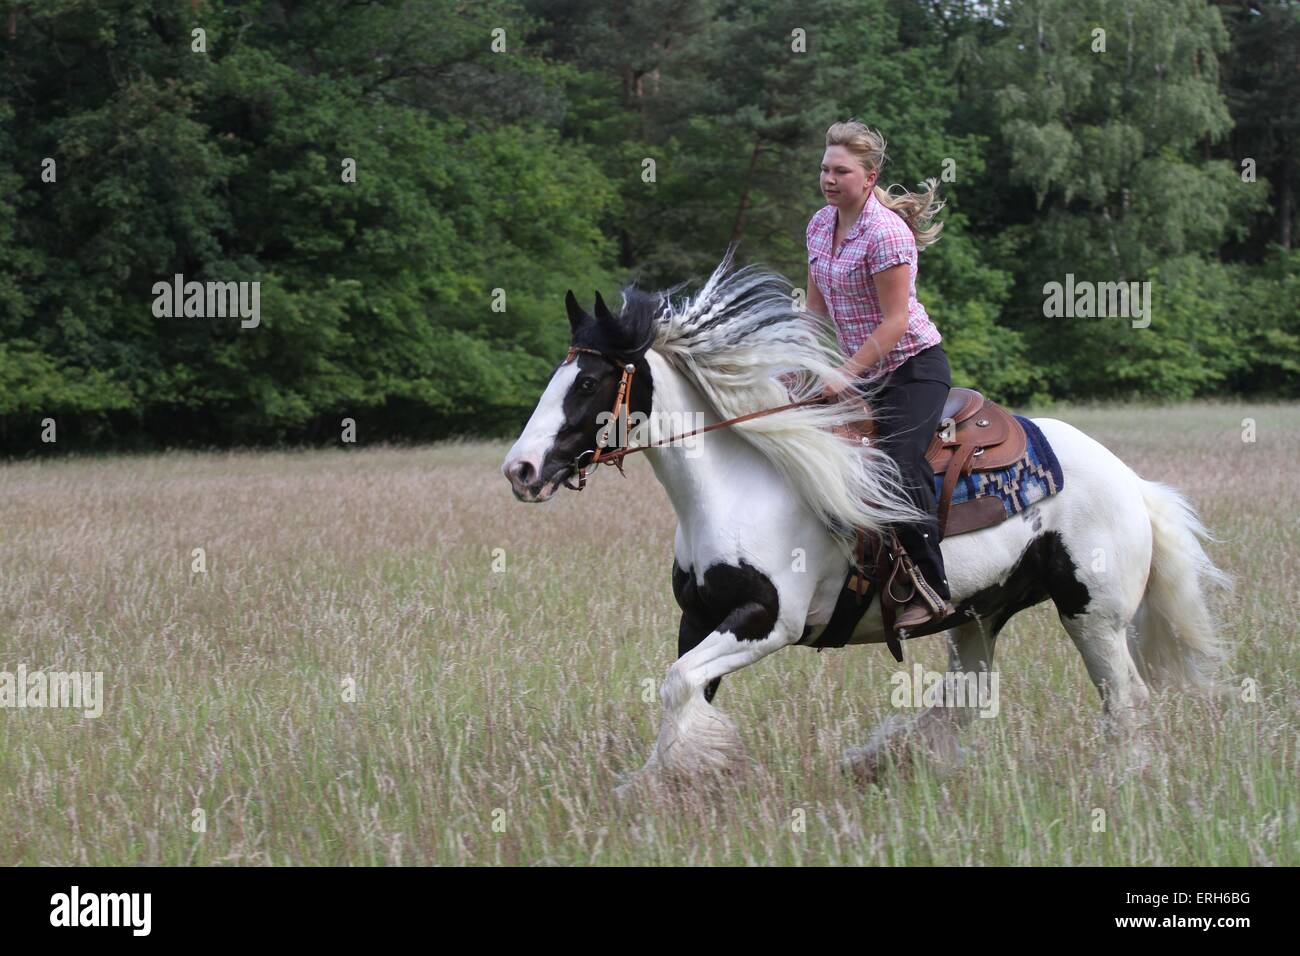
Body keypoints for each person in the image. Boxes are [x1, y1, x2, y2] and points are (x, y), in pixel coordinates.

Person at [805, 120, 954, 632]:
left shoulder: (887, 233)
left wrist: (845, 374)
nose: (829, 178)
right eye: (825, 168)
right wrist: (799, 361)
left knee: (896, 463)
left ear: (869, 178)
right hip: (860, 372)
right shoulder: (819, 225)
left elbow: (894, 323)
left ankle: (933, 586)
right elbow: (814, 312)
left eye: (841, 170)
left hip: (912, 369)